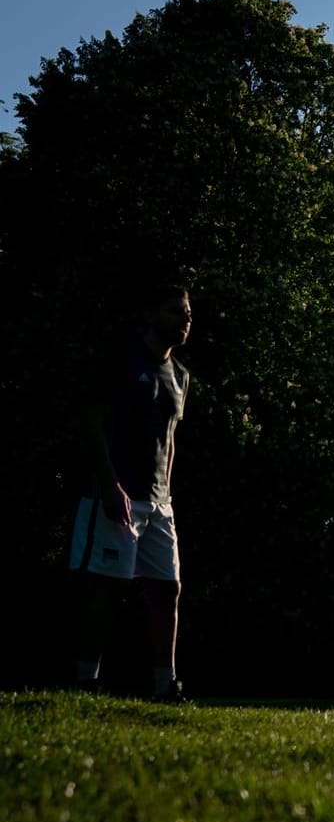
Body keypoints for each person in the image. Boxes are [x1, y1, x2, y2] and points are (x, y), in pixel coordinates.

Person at [70, 285, 195, 701]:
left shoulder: (181, 375)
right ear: (151, 314)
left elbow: (170, 439)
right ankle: (85, 679)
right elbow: (92, 422)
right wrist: (110, 485)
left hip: (159, 504)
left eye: (188, 312)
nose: (185, 319)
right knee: (104, 589)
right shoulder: (121, 361)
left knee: (167, 590)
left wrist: (167, 495)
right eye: (175, 311)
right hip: (116, 496)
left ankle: (166, 685)